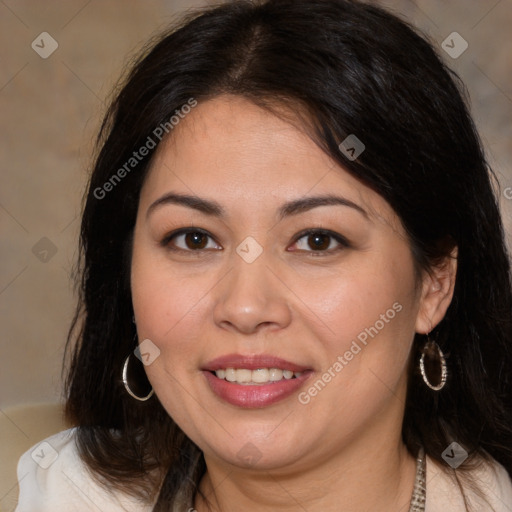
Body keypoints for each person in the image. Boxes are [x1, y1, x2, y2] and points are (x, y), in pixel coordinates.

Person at [15, 0, 512, 510]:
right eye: (194, 239)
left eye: (318, 240)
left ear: (434, 284)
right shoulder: (63, 493)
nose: (246, 308)